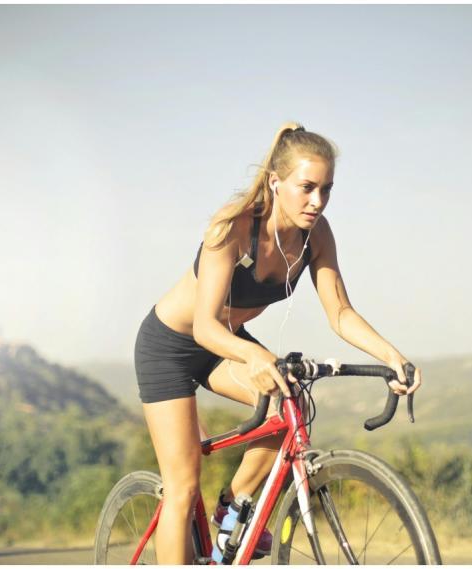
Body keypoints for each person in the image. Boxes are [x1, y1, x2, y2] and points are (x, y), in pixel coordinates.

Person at [133, 122, 423, 564]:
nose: (318, 201)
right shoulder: (231, 227)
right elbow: (204, 326)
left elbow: (341, 313)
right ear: (276, 182)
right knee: (183, 485)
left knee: (290, 404)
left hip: (222, 345)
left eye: (326, 189)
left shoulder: (316, 235)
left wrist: (393, 356)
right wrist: (254, 354)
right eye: (307, 187)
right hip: (172, 345)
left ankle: (234, 505)